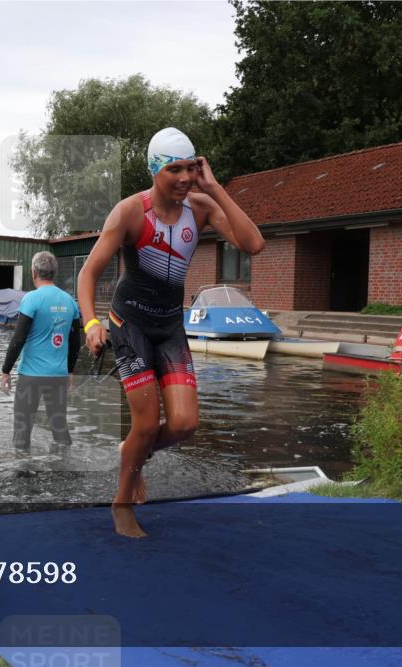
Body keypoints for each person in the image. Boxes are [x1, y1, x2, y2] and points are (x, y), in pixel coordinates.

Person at [77, 127, 265, 538]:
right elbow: (88, 274)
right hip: (130, 326)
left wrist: (215, 188)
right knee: (145, 424)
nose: (184, 178)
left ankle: (133, 455)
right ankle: (122, 504)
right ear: (154, 170)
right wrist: (91, 323)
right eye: (174, 169)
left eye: (190, 169)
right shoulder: (129, 212)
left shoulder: (200, 207)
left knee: (183, 425)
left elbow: (253, 244)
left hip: (170, 327)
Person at [0, 251, 81, 451]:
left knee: (22, 431)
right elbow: (75, 341)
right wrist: (69, 371)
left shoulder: (31, 299)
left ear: (34, 272)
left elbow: (18, 339)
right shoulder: (70, 301)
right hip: (58, 376)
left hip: (31, 376)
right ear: (54, 272)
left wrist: (5, 371)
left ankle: (22, 476)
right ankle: (66, 472)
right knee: (60, 429)